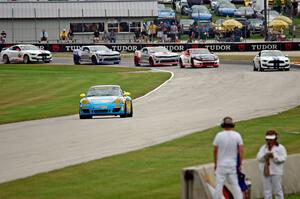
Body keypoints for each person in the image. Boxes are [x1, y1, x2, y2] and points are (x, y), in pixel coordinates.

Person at [213, 116, 244, 199]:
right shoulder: (237, 135)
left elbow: (215, 151)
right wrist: (240, 164)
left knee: (219, 185)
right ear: (232, 125)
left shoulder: (219, 135)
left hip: (221, 164)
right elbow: (241, 150)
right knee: (235, 184)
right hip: (232, 164)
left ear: (223, 125)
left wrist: (216, 164)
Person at [256, 130, 287, 199]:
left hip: (276, 171)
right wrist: (265, 156)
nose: (269, 141)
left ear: (275, 139)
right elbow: (258, 158)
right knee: (267, 190)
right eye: (268, 139)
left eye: (271, 139)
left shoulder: (280, 148)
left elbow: (283, 159)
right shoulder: (263, 147)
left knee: (278, 190)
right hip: (265, 171)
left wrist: (274, 157)